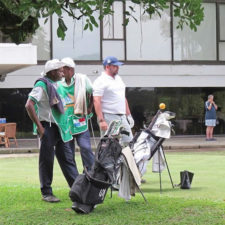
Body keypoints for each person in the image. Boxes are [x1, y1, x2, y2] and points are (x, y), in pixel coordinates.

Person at [25, 59, 79, 203]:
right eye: (60, 70)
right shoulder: (42, 84)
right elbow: (29, 105)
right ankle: (46, 193)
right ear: (53, 72)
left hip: (59, 127)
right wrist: (40, 127)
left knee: (66, 158)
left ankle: (78, 189)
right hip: (47, 126)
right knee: (47, 160)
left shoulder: (56, 84)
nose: (63, 73)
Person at [58, 57, 94, 171]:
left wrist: (90, 107)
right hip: (66, 123)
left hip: (80, 121)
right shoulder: (59, 83)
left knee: (85, 147)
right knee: (68, 153)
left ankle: (90, 172)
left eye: (63, 70)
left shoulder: (82, 80)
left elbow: (93, 93)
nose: (61, 72)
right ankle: (74, 177)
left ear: (70, 69)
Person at [93, 56, 134, 146]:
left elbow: (123, 97)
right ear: (108, 67)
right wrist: (101, 120)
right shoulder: (100, 81)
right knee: (109, 144)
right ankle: (108, 160)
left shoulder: (118, 78)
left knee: (129, 142)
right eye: (115, 66)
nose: (118, 68)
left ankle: (123, 160)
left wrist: (128, 114)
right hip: (108, 116)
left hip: (122, 116)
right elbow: (96, 100)